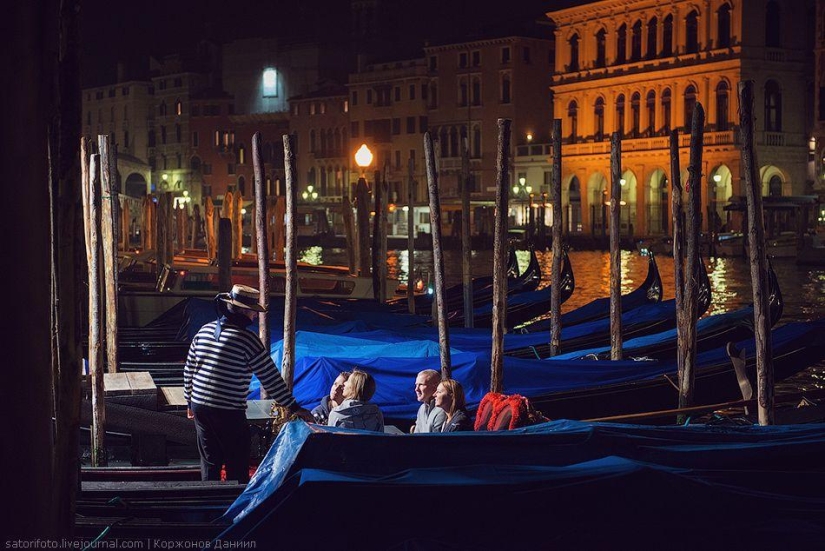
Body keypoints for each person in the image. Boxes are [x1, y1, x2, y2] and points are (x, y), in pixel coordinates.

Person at [184, 284, 313, 483]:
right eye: (253, 312)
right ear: (245, 311)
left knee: (210, 460)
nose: (254, 317)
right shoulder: (247, 339)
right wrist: (294, 407)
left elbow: (189, 369)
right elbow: (270, 378)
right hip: (227, 409)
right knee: (237, 459)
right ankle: (237, 506)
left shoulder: (205, 330)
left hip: (199, 405)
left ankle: (208, 504)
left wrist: (188, 402)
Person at [411, 369, 446, 433]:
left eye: (421, 384)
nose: (416, 389)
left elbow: (436, 440)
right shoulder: (422, 409)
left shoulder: (443, 410)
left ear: (435, 386)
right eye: (416, 385)